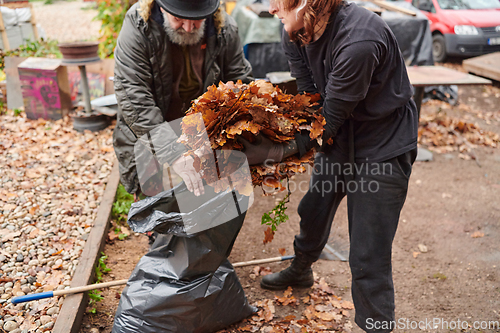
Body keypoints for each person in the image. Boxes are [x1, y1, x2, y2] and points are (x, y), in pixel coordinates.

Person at [241, 0, 418, 332]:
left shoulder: (360, 41)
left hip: (383, 143)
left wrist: (276, 150)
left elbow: (329, 118)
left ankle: (375, 325)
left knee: (368, 252)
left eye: (278, 2)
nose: (269, 8)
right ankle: (302, 267)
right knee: (314, 209)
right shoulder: (294, 31)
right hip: (339, 137)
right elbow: (311, 97)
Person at [113, 0, 253, 201]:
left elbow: (240, 82)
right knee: (153, 199)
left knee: (205, 197)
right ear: (161, 7)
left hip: (201, 126)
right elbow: (133, 95)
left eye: (197, 20)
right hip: (149, 126)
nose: (188, 28)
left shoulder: (224, 28)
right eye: (178, 19)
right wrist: (173, 153)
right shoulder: (139, 25)